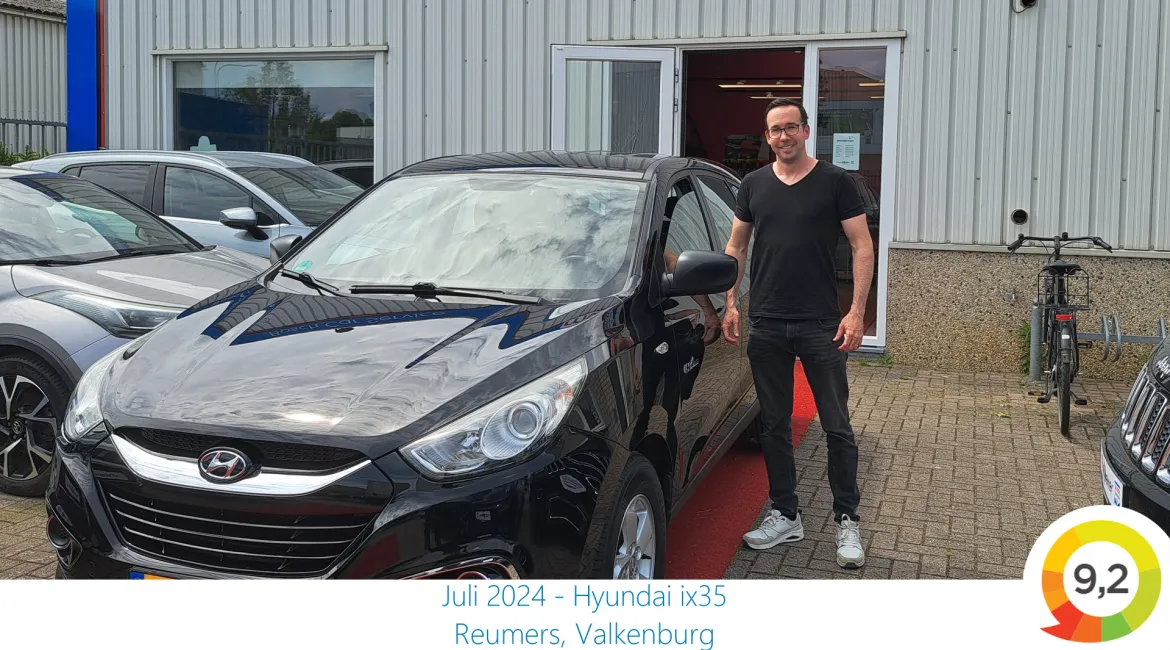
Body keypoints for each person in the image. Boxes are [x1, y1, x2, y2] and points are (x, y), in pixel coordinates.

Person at [720, 97, 874, 569]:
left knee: (836, 425)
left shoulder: (836, 182)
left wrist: (855, 313)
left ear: (807, 131)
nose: (783, 136)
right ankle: (786, 514)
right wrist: (730, 301)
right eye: (775, 130)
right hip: (767, 321)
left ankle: (847, 520)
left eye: (791, 127)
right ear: (767, 137)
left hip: (821, 323)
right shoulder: (753, 185)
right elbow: (736, 246)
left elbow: (862, 247)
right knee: (774, 424)